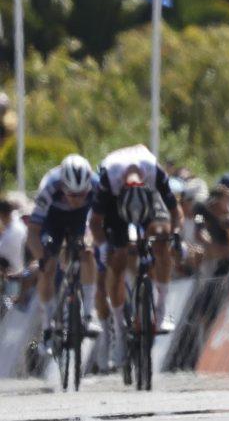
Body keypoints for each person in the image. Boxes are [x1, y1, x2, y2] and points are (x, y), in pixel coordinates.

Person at [88, 145, 181, 365]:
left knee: (161, 237)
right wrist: (103, 246)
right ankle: (120, 330)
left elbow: (176, 212)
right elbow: (95, 223)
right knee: (117, 258)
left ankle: (160, 308)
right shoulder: (108, 180)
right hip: (115, 206)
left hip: (148, 200)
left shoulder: (154, 172)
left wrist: (176, 234)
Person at [25, 155, 101, 349]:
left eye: (82, 194)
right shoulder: (50, 186)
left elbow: (98, 223)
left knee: (88, 253)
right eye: (72, 195)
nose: (77, 199)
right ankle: (48, 327)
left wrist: (90, 241)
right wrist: (41, 258)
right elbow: (33, 232)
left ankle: (88, 315)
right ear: (63, 187)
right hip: (52, 219)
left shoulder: (97, 185)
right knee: (48, 267)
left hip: (81, 219)